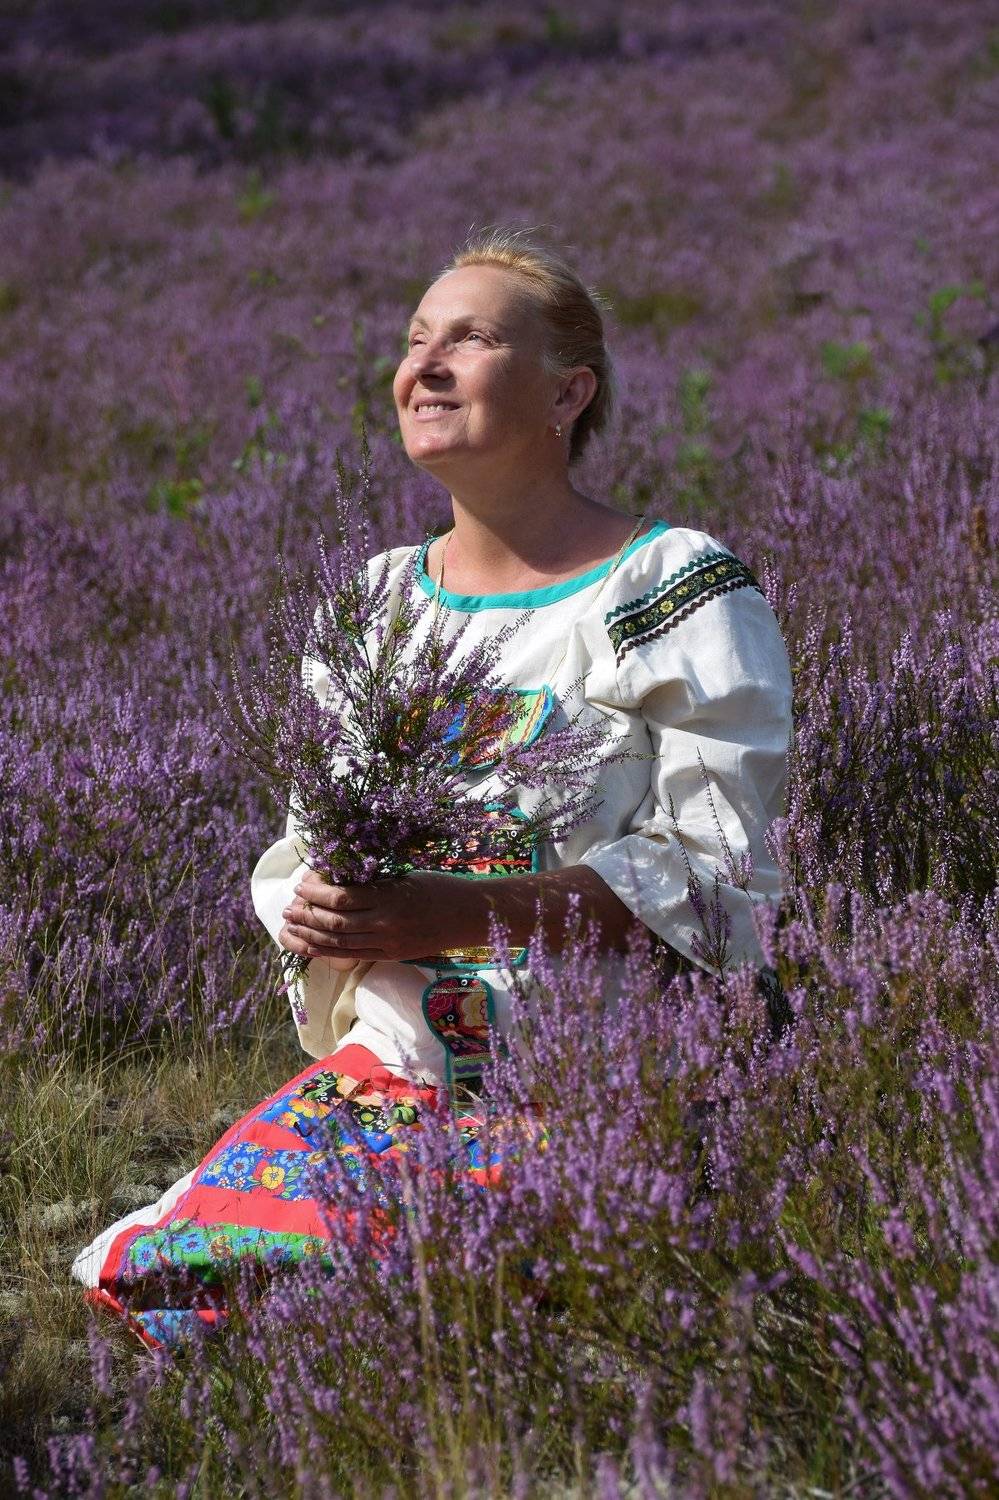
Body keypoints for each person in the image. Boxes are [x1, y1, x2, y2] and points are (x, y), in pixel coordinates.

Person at [72, 231, 792, 1348]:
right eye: (416, 341)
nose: (427, 365)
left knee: (441, 1295)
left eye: (471, 338)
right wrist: (322, 908)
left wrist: (463, 912)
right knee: (183, 1279)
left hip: (603, 1070)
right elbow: (311, 840)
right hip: (399, 1065)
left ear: (568, 393)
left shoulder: (673, 588)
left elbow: (718, 874)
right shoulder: (377, 605)